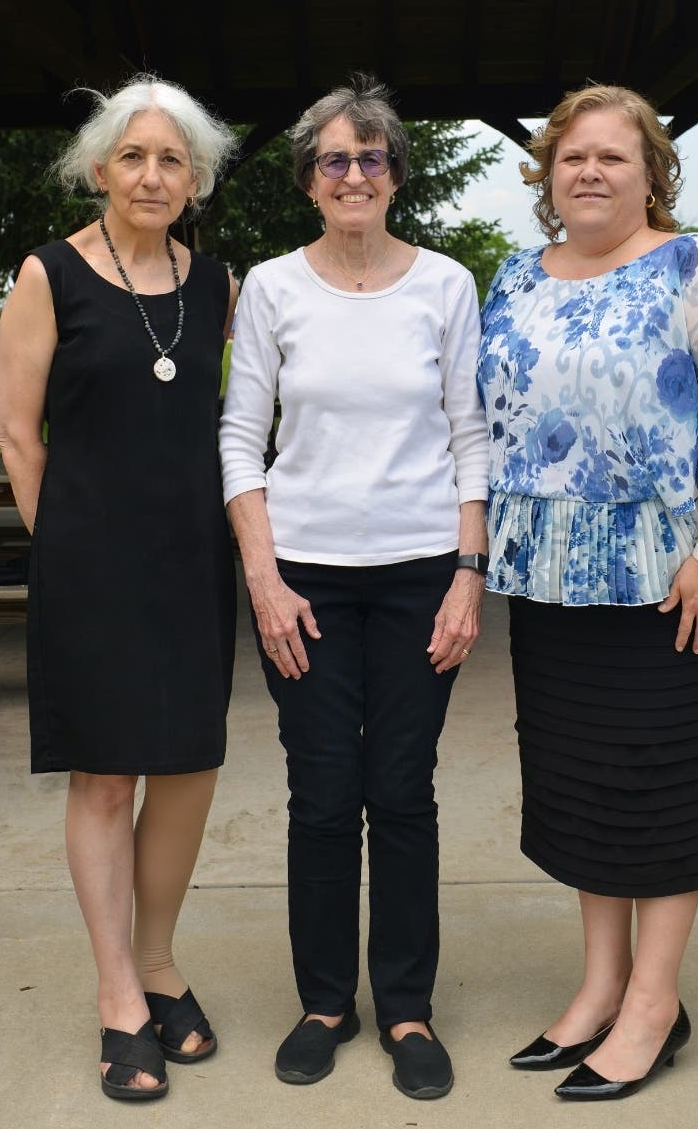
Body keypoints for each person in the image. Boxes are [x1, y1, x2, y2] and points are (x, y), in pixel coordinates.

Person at [217, 74, 488, 1101]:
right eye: (334, 158)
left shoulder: (446, 286)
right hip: (305, 581)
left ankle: (407, 1007)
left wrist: (468, 576)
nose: (353, 174)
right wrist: (263, 578)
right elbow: (241, 439)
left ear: (393, 174)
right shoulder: (277, 286)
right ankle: (325, 1002)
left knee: (401, 791)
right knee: (324, 794)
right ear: (308, 181)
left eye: (371, 157)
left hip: (422, 571)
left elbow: (471, 436)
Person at [0, 73, 239, 1104]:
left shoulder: (217, 284)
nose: (152, 173)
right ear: (99, 170)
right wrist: (70, 551)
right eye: (133, 156)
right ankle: (116, 996)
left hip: (191, 560)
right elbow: (16, 429)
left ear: (197, 181)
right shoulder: (47, 273)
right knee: (104, 778)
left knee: (185, 770)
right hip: (90, 564)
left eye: (172, 159)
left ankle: (158, 959)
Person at [476, 83, 698, 1103]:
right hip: (545, 578)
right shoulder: (513, 277)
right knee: (581, 785)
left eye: (612, 157)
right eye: (571, 156)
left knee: (660, 788)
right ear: (545, 173)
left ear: (650, 171)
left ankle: (654, 1004)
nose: (589, 172)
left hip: (666, 576)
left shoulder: (694, 267)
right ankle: (601, 984)